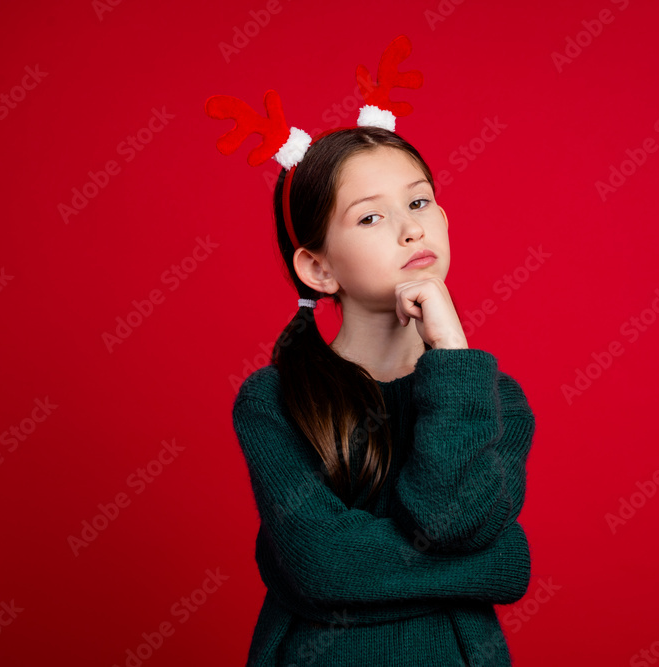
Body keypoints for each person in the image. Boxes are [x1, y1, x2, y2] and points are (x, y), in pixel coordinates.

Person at [230, 124, 538, 666]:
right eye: (371, 217)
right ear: (318, 268)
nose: (410, 230)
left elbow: (451, 518)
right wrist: (489, 563)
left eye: (419, 202)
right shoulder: (274, 400)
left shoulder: (495, 398)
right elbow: (322, 565)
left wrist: (450, 353)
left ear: (443, 220)